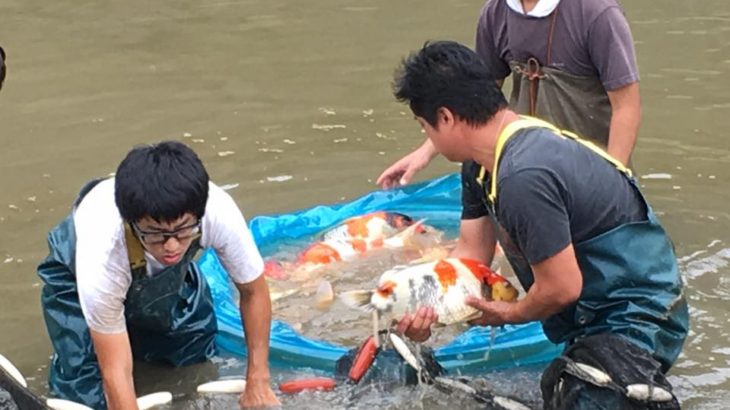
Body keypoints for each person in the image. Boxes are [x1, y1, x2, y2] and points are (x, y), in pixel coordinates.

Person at [391, 41, 688, 408]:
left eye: (426, 126)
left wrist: (510, 314)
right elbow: (470, 256)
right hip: (591, 312)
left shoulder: (524, 173)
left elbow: (561, 287)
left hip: (638, 313)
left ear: (447, 117)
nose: (429, 139)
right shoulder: (481, 164)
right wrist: (427, 306)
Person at [38, 141, 280, 409]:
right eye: (155, 233)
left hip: (168, 277)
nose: (172, 246)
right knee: (85, 389)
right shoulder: (104, 248)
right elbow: (114, 369)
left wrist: (258, 379)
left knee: (191, 353)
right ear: (131, 223)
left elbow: (253, 291)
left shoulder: (217, 212)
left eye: (182, 230)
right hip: (74, 274)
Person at [377, 0, 641, 189]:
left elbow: (626, 106)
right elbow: (472, 100)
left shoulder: (597, 12)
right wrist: (424, 153)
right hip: (523, 168)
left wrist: (615, 184)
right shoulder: (495, 13)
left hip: (589, 170)